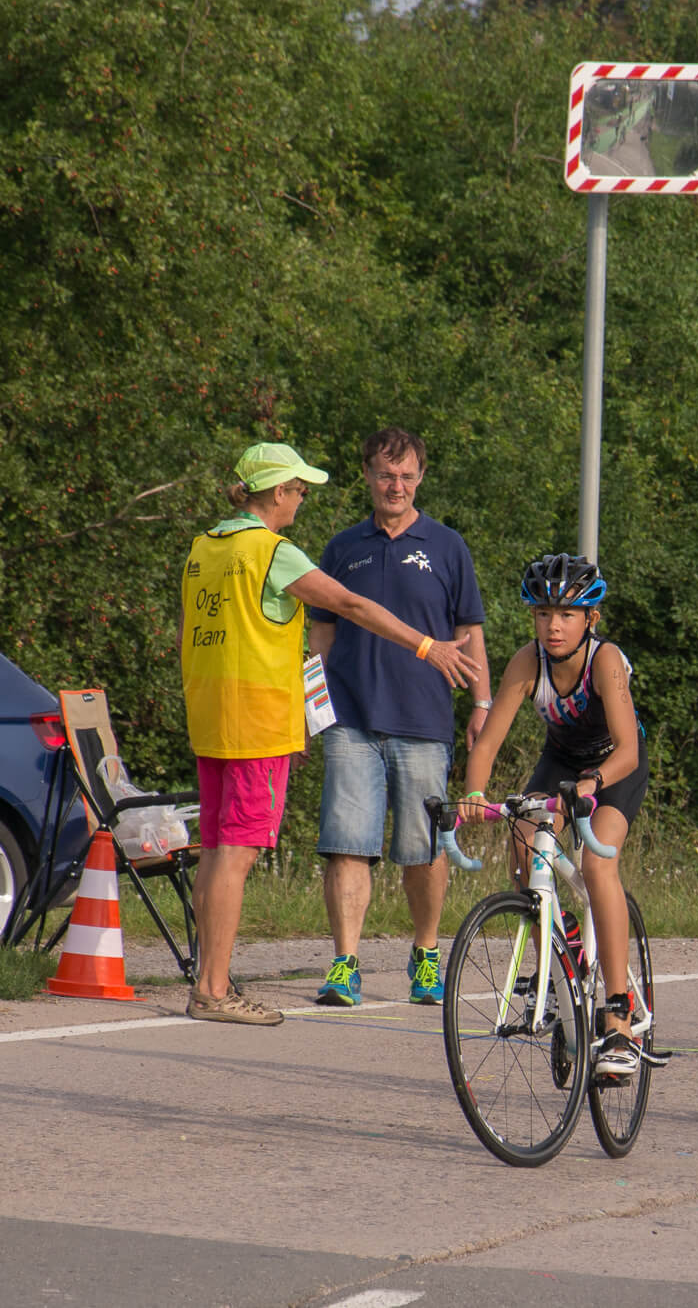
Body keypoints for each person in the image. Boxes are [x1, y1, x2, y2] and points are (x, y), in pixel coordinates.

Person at [180, 442, 479, 1026]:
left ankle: (208, 980)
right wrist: (426, 645)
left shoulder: (204, 548)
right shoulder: (272, 551)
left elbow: (187, 635)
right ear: (275, 492)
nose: (300, 500)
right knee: (237, 854)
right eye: (297, 490)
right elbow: (349, 606)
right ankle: (214, 989)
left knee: (215, 851)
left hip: (211, 719)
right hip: (257, 722)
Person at [309, 428, 490, 1008]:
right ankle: (345, 964)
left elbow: (469, 633)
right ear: (366, 474)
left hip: (424, 720)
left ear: (421, 478)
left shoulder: (447, 546)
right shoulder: (342, 548)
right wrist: (312, 711)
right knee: (346, 843)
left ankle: (427, 952)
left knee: (423, 849)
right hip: (350, 719)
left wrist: (482, 705)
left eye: (407, 476)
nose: (397, 486)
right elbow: (320, 636)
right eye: (387, 475)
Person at [459, 553, 648, 1077]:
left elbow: (628, 749)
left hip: (615, 767)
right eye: (543, 614)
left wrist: (593, 784)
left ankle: (618, 1015)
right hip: (562, 762)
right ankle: (562, 947)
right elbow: (487, 742)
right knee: (522, 836)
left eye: (566, 614)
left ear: (591, 618)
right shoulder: (528, 661)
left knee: (597, 866)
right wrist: (474, 791)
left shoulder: (605, 661)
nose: (553, 626)